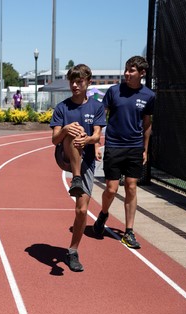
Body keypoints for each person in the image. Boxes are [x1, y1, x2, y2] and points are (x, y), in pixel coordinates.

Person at [93, 56, 155, 249]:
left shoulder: (149, 96)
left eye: (132, 71)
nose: (127, 74)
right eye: (126, 70)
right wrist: (97, 143)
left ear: (142, 73)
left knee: (131, 187)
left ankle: (129, 231)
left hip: (135, 147)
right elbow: (100, 116)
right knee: (111, 189)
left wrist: (145, 149)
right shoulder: (113, 91)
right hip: (114, 145)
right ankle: (103, 214)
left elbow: (147, 124)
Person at [50, 64, 106, 271]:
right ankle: (75, 178)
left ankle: (72, 251)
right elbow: (54, 139)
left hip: (87, 160)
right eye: (72, 81)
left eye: (79, 81)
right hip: (64, 156)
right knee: (74, 130)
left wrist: (87, 140)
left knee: (82, 210)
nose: (75, 85)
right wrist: (66, 129)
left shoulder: (96, 107)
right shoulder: (62, 108)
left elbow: (97, 136)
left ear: (88, 83)